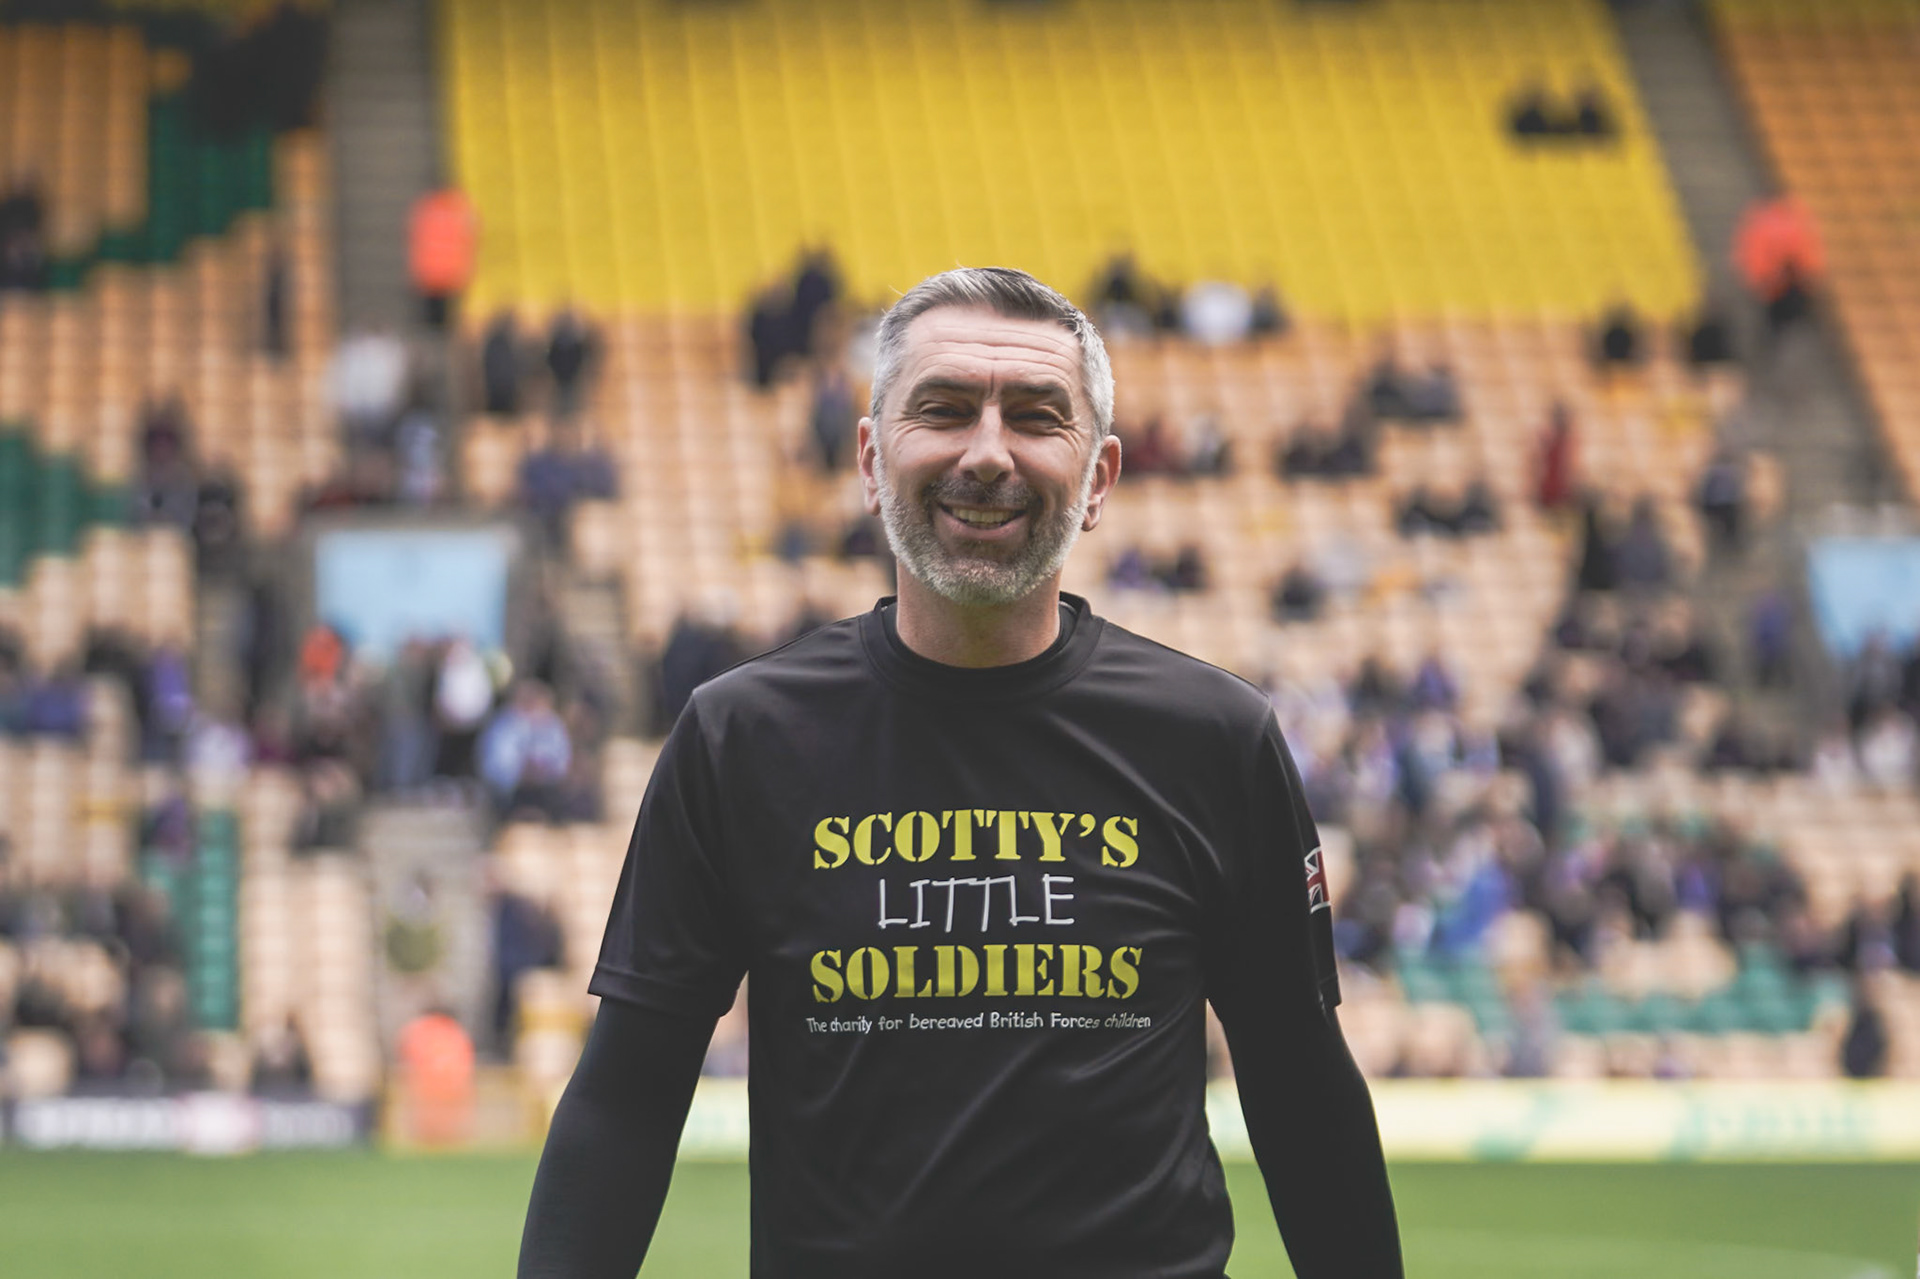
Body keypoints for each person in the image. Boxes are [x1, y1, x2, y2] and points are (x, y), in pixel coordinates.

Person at [519, 267, 1401, 1277]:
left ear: (1100, 477)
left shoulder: (1215, 738)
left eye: (1036, 416)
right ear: (870, 460)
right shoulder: (740, 738)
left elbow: (1300, 1087)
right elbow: (628, 1097)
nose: (987, 452)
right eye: (942, 410)